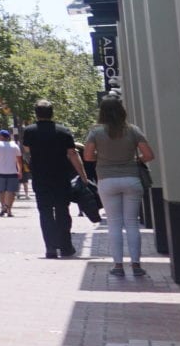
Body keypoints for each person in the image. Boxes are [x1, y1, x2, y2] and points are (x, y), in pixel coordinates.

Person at [83, 96, 156, 278]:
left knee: (114, 223)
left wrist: (104, 156)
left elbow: (88, 157)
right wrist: (134, 159)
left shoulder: (96, 132)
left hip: (107, 180)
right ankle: (136, 265)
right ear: (122, 111)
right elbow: (148, 155)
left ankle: (118, 266)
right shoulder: (133, 130)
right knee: (132, 222)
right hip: (131, 178)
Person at [22, 101, 85, 259]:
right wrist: (83, 175)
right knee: (63, 211)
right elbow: (72, 154)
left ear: (36, 113)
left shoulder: (29, 131)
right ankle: (65, 246)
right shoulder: (63, 131)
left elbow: (27, 150)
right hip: (61, 177)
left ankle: (50, 248)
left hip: (40, 177)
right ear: (52, 113)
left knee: (45, 212)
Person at [0, 129, 22, 216]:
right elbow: (19, 160)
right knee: (11, 191)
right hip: (12, 172)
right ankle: (9, 210)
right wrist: (20, 171)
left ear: (2, 137)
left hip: (0, 171)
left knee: (1, 191)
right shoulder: (15, 145)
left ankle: (3, 207)